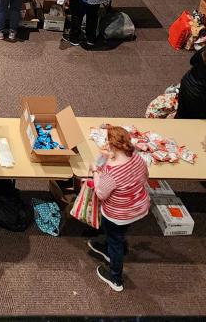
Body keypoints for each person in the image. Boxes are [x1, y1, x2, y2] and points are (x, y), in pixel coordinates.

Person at [87, 125, 150, 292]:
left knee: (115, 239)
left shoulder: (112, 171)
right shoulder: (137, 158)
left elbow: (101, 193)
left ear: (112, 145)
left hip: (117, 214)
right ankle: (110, 247)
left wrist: (95, 170)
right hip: (138, 207)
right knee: (118, 234)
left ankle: (116, 279)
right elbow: (145, 176)